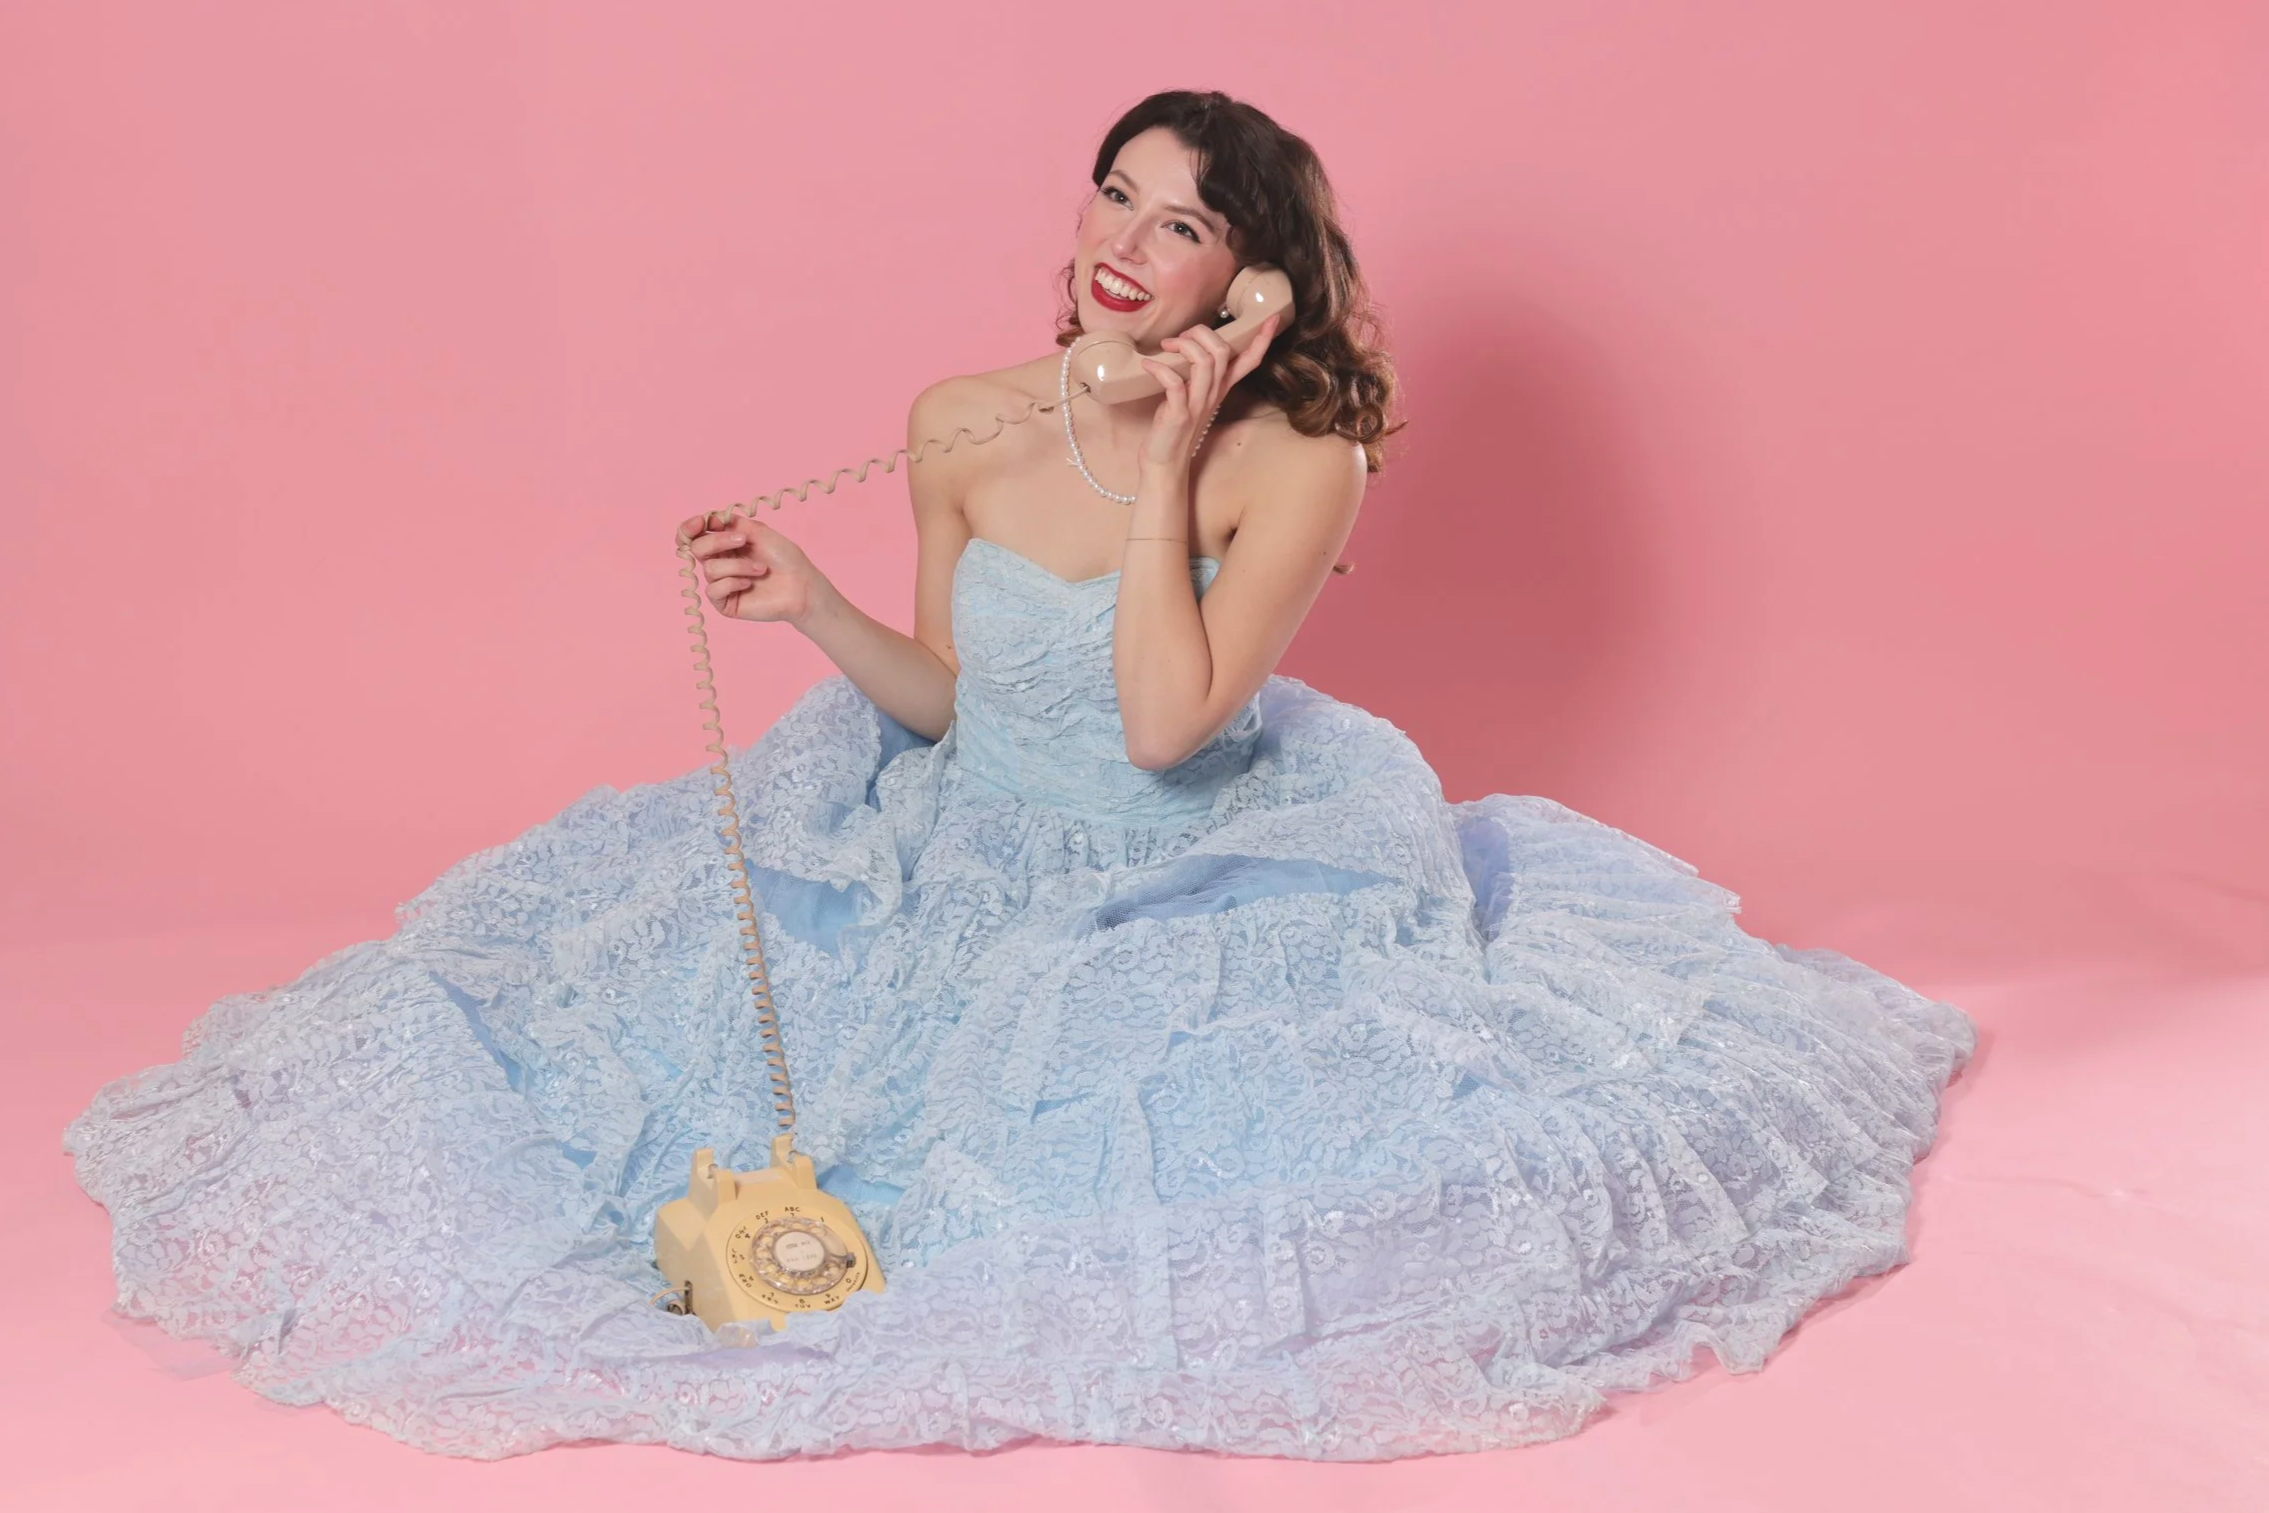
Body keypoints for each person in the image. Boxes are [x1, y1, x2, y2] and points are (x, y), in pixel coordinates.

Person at [65, 89, 1975, 1462]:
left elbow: (1163, 726)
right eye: (1112, 198)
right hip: (968, 833)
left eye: (1183, 226)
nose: (1123, 246)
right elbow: (955, 706)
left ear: (1255, 281)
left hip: (1189, 854)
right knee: (625, 1071)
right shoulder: (963, 421)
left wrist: (1169, 462)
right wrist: (814, 607)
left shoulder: (1296, 461)